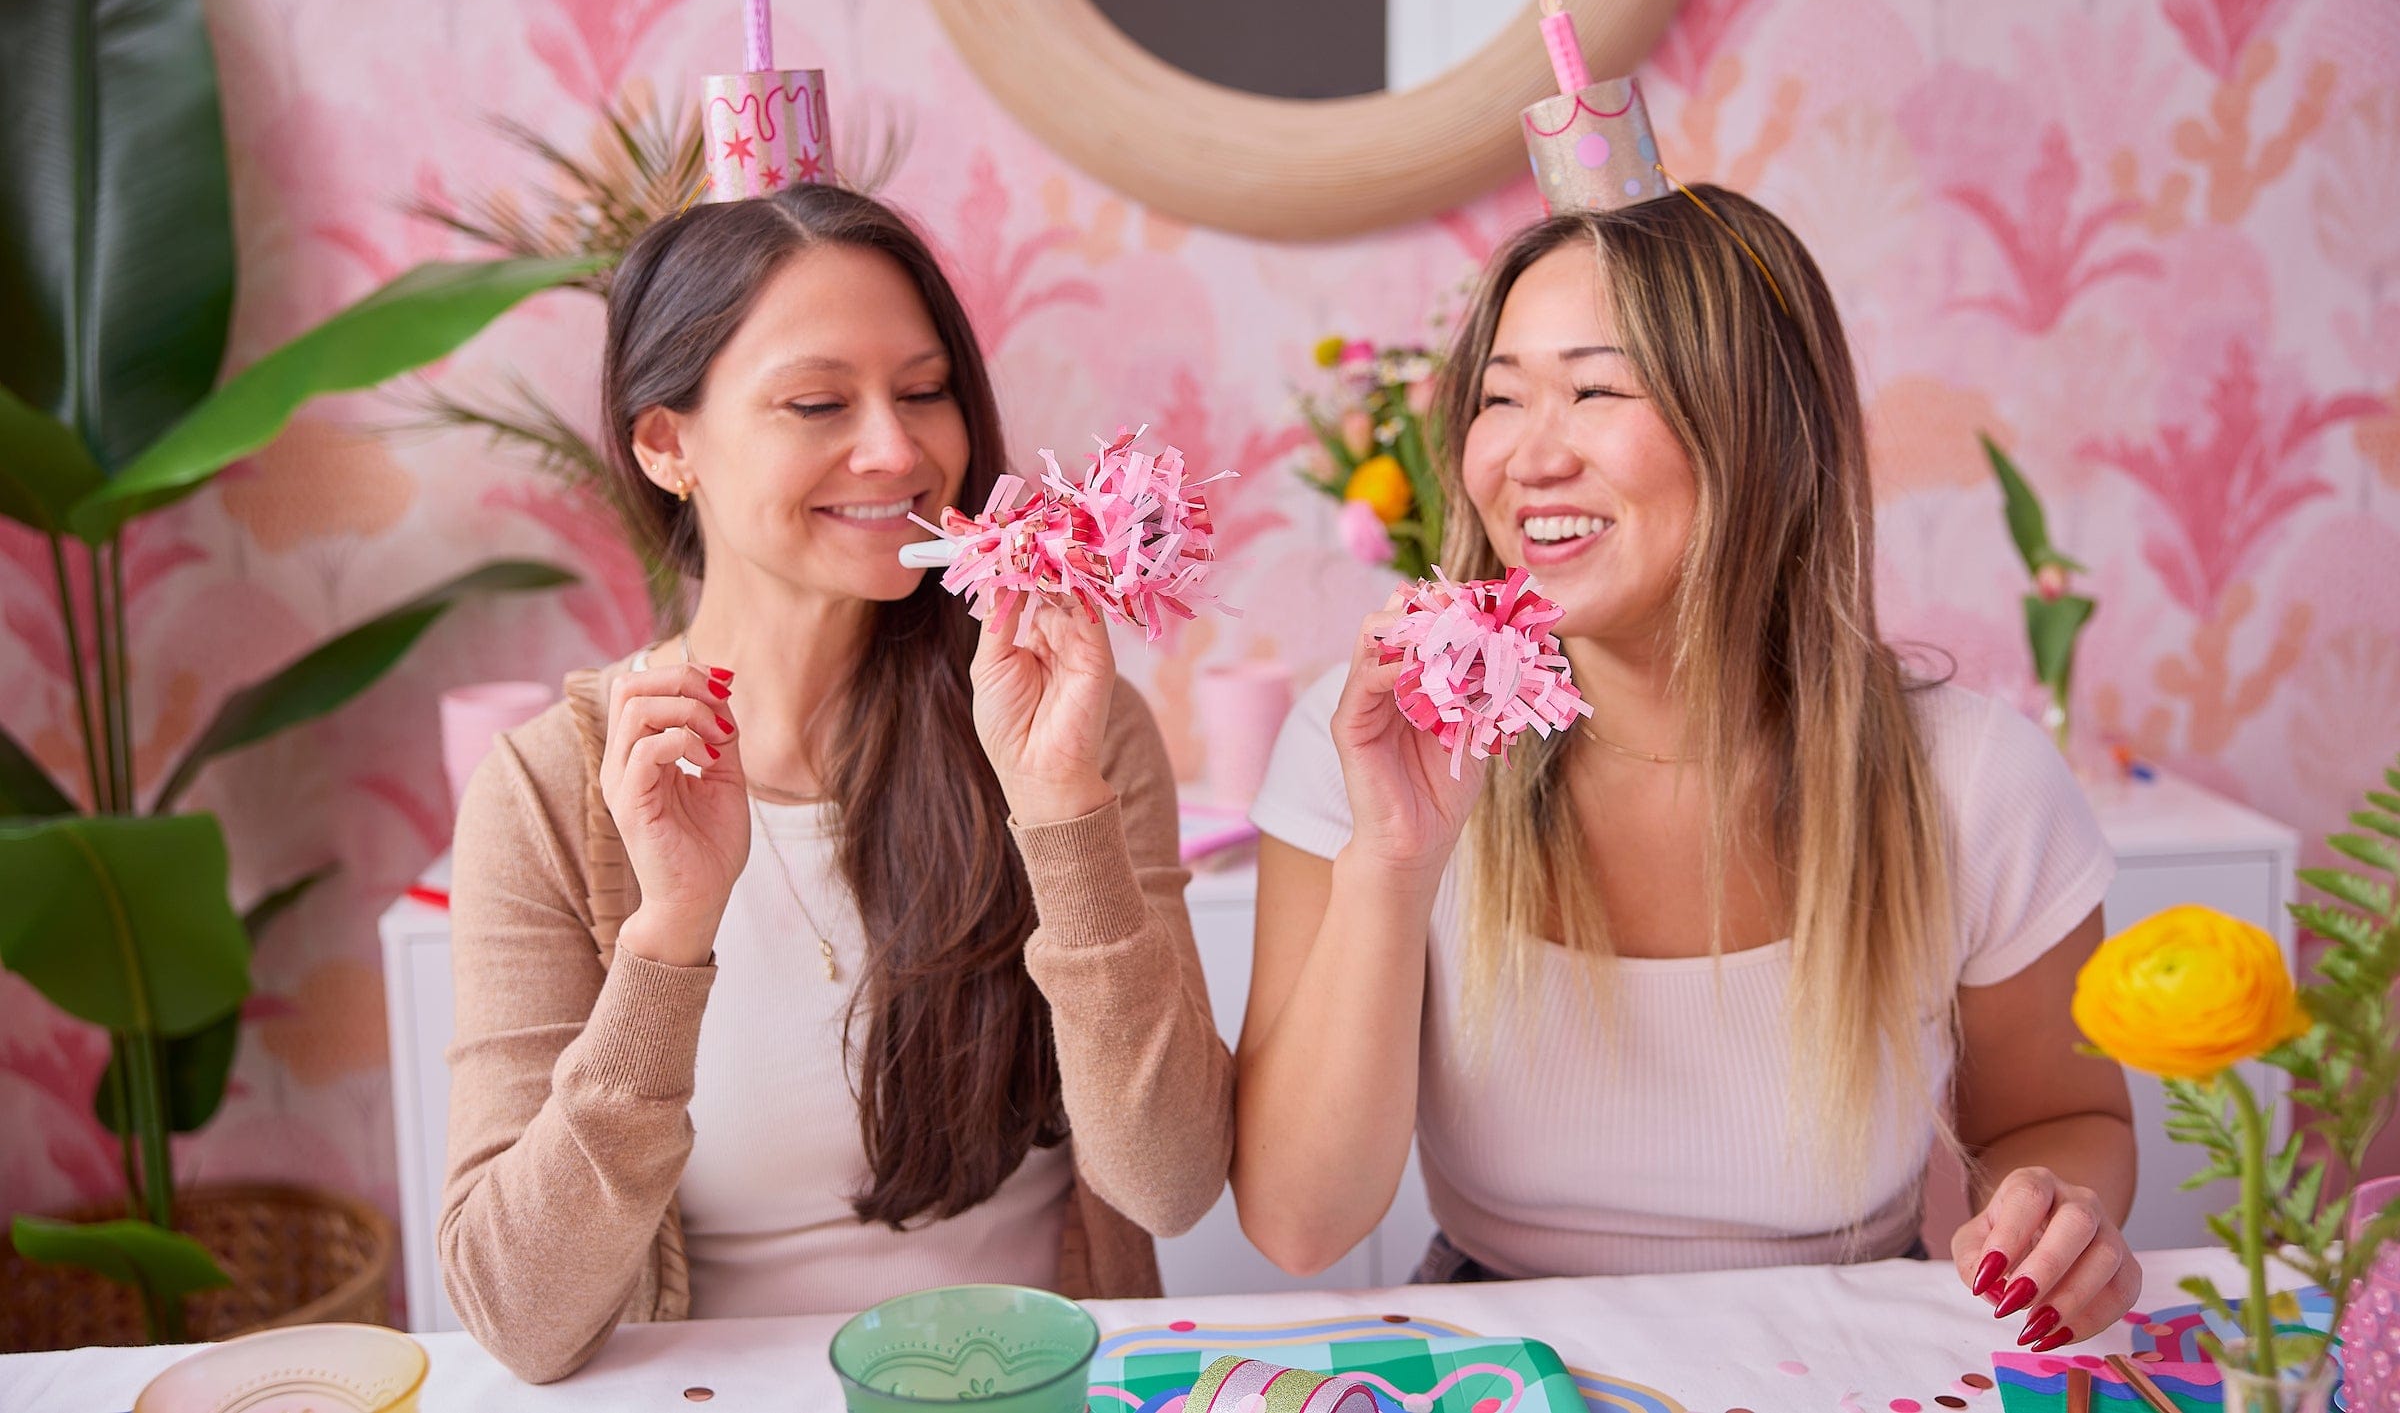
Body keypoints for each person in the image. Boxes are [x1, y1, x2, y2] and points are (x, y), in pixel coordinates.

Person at [1235, 188, 2139, 1354]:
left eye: (1596, 390)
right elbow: (1300, 1224)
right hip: (1506, 1359)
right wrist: (1394, 859)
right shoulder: (1371, 740)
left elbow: (2061, 1115)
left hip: (1846, 1349)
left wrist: (2054, 1212)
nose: (1529, 455)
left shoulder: (1973, 780)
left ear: (1765, 429)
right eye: (1501, 397)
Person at [440, 184, 1233, 1383]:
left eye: (924, 391)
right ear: (666, 444)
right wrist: (668, 935)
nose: (898, 451)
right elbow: (519, 1314)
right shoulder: (550, 791)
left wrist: (1061, 812)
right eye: (818, 402)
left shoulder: (1058, 719)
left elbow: (1169, 1182)